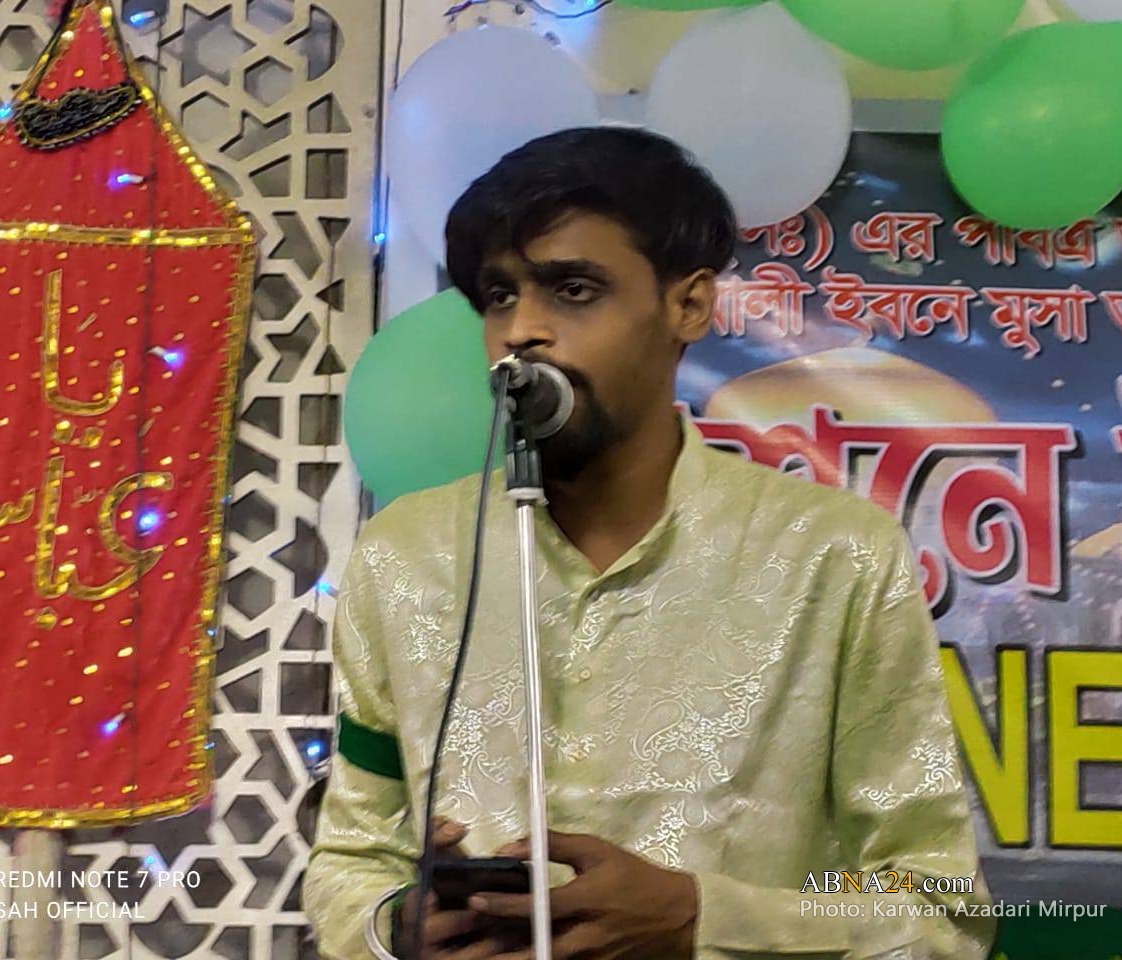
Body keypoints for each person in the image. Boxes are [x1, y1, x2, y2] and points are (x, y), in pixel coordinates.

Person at [302, 127, 996, 959]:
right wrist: (393, 928)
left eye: (574, 289)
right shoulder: (405, 559)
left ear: (688, 306)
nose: (522, 330)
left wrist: (706, 920)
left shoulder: (836, 557)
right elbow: (351, 860)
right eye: (498, 295)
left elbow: (940, 908)